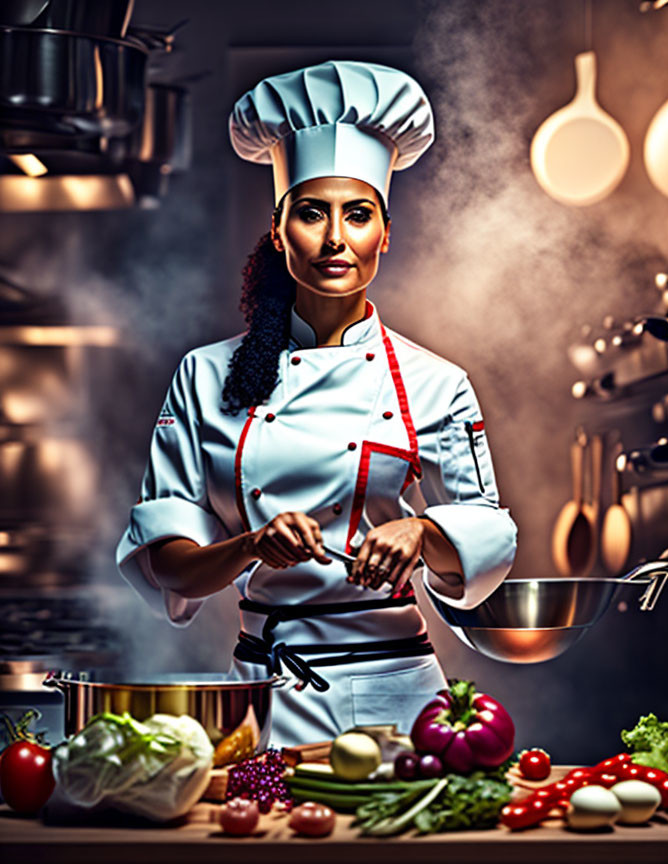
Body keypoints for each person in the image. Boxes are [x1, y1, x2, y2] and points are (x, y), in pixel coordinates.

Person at [116, 59, 517, 747]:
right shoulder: (204, 375)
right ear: (279, 232)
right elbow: (166, 563)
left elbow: (482, 546)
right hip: (263, 696)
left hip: (401, 698)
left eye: (358, 215)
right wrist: (249, 546)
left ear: (385, 234)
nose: (336, 240)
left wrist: (423, 534)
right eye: (311, 213)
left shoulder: (436, 382)